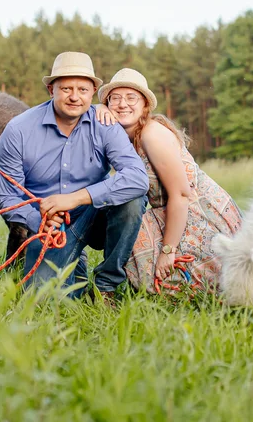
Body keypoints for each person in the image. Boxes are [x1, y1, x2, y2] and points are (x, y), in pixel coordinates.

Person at [0, 52, 149, 302]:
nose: (75, 96)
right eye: (66, 88)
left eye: (83, 89)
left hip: (94, 214)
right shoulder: (18, 130)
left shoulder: (106, 125)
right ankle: (74, 265)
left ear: (93, 91)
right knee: (45, 300)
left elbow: (138, 179)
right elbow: (5, 197)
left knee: (132, 200)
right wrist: (37, 219)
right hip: (49, 224)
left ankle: (105, 286)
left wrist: (77, 198)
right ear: (50, 89)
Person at [96, 68, 243, 293]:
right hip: (167, 210)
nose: (122, 104)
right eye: (114, 98)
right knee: (121, 221)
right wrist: (95, 110)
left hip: (195, 211)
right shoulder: (124, 137)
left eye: (131, 97)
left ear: (145, 104)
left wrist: (168, 250)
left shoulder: (151, 134)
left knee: (182, 276)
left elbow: (182, 195)